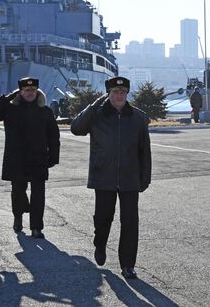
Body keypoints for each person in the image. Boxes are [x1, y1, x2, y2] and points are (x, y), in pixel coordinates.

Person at [70, 76, 152, 279]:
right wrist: (94, 104)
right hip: (103, 176)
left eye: (123, 92)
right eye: (115, 92)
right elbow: (76, 128)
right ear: (108, 93)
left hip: (130, 177)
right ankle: (100, 243)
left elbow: (145, 152)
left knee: (130, 222)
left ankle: (128, 265)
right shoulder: (97, 114)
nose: (119, 96)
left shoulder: (138, 118)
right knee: (103, 218)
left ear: (127, 94)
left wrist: (145, 178)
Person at [0, 77, 60, 239]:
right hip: (16, 159)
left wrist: (53, 156)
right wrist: (7, 98)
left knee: (38, 195)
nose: (29, 93)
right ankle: (18, 216)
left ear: (37, 91)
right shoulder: (10, 109)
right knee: (18, 192)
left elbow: (53, 136)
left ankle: (36, 227)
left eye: (32, 90)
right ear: (20, 92)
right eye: (26, 90)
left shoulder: (45, 111)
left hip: (38, 159)